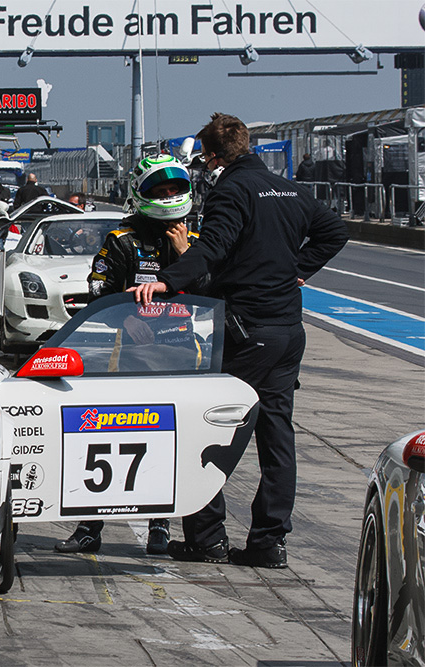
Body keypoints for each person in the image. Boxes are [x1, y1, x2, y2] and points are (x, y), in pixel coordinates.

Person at [130, 113, 348, 568]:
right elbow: (335, 230)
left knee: (203, 427)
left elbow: (212, 247)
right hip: (289, 330)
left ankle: (206, 539)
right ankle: (269, 543)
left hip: (248, 330)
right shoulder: (288, 187)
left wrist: (167, 281)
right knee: (276, 435)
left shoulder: (232, 189)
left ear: (211, 158)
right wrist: (297, 269)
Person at [56, 153, 199, 556]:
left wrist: (185, 250)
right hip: (130, 356)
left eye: (175, 189)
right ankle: (89, 528)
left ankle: (161, 527)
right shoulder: (122, 239)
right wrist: (124, 318)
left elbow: (212, 287)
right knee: (108, 434)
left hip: (182, 354)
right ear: (143, 194)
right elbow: (97, 288)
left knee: (170, 439)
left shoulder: (196, 239)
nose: (170, 196)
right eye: (161, 190)